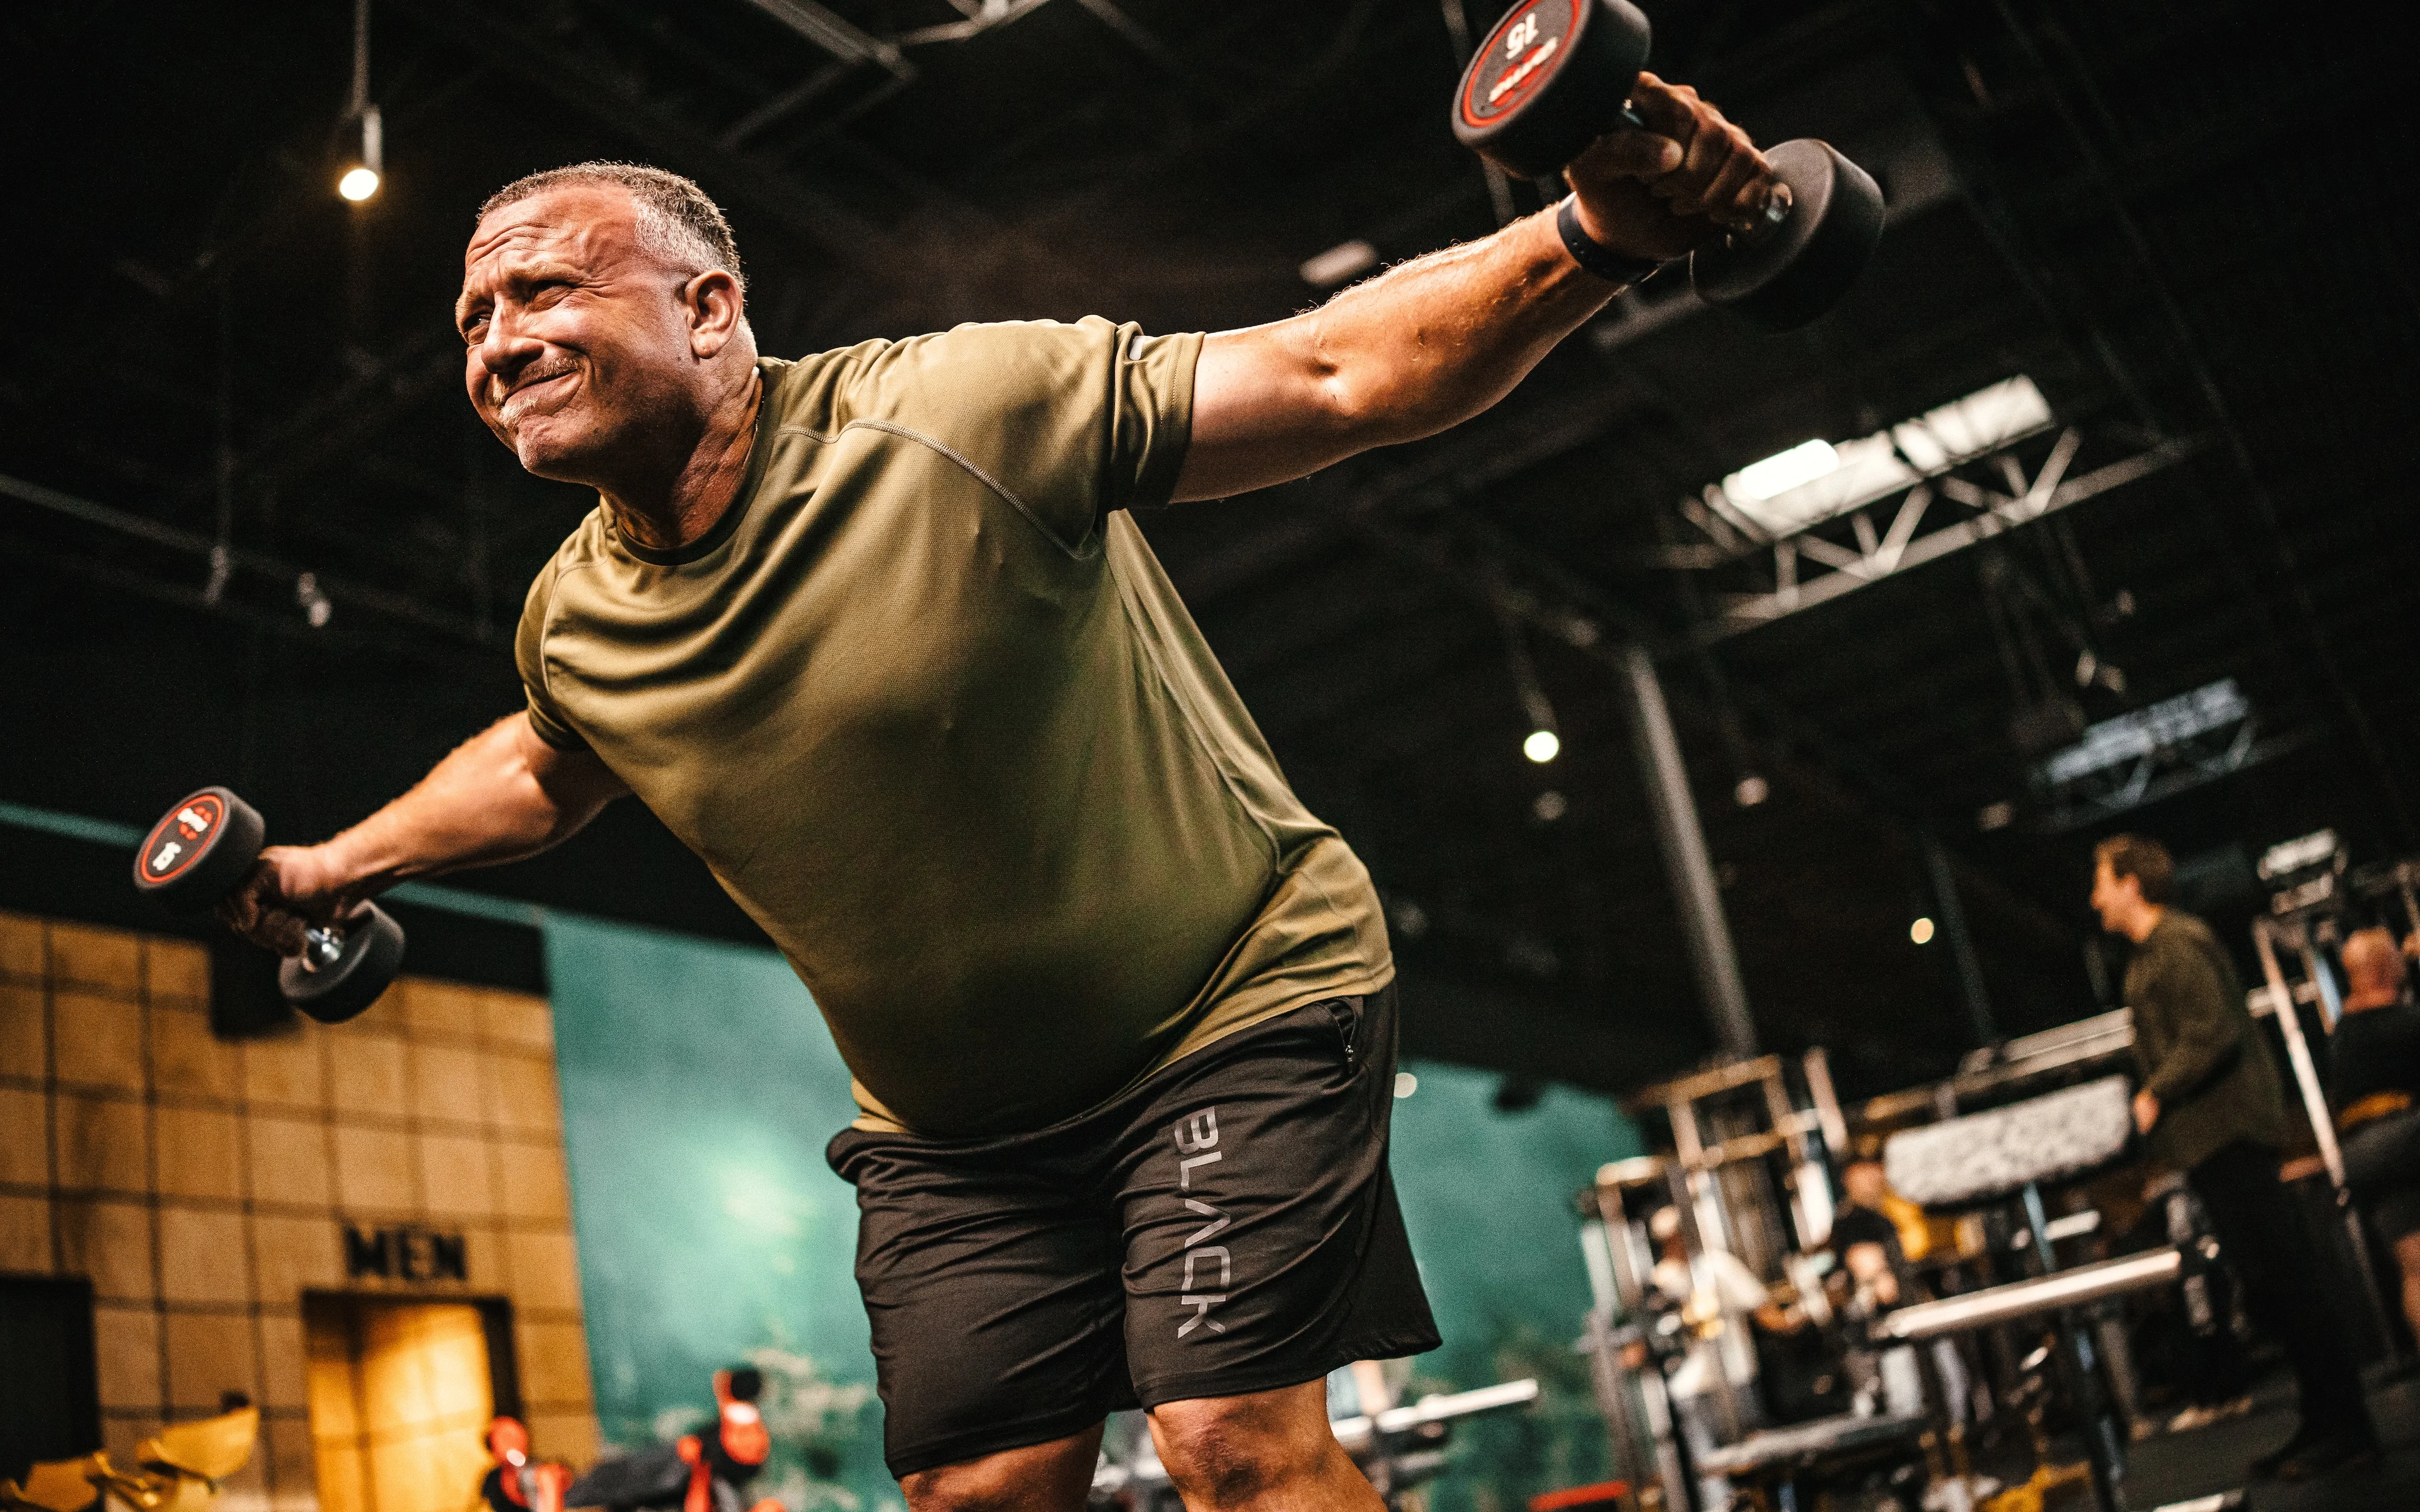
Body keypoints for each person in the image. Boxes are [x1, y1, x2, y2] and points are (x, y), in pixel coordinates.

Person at [213, 66, 1785, 1512]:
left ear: (708, 308)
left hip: (1227, 1004)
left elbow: (1328, 375)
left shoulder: (955, 409)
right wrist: (334, 861)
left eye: (541, 286)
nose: (493, 342)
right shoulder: (571, 612)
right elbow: (549, 761)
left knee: (1231, 1439)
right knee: (976, 1491)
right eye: (473, 317)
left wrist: (1594, 235)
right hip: (953, 1130)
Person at [2090, 834, 2377, 1478]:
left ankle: (2347, 1427)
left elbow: (2211, 1031)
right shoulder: (2149, 955)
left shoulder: (2176, 944)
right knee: (2274, 1287)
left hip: (2230, 1135)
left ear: (2132, 883)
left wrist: (2152, 1096)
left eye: (2102, 881)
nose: (2094, 898)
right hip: (2210, 1142)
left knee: (2288, 1283)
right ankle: (2324, 1421)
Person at [2329, 926, 2420, 1344]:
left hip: (2361, 1153)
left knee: (2415, 1267)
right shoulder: (2398, 1022)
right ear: (2386, 967)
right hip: (2402, 1139)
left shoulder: (2345, 1032)